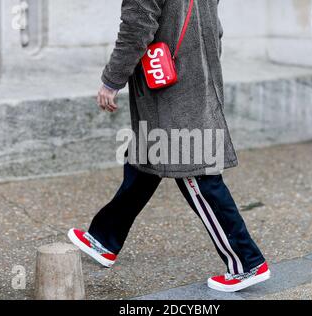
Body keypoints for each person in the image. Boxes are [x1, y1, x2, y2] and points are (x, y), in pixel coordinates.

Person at [68, 0, 270, 292]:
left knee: (198, 175)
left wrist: (111, 81)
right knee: (145, 160)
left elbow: (136, 29)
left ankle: (247, 262)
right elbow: (216, 29)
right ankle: (104, 239)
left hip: (173, 90)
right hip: (193, 79)